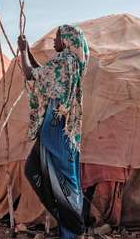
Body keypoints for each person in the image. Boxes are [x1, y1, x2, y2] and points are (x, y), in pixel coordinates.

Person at [18, 25, 90, 239]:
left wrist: (22, 51)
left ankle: (73, 229)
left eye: (57, 38)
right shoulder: (72, 63)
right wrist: (29, 51)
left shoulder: (63, 61)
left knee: (47, 174)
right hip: (64, 130)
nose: (53, 42)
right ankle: (71, 226)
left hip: (56, 130)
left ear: (67, 40)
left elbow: (32, 74)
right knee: (65, 180)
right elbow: (45, 77)